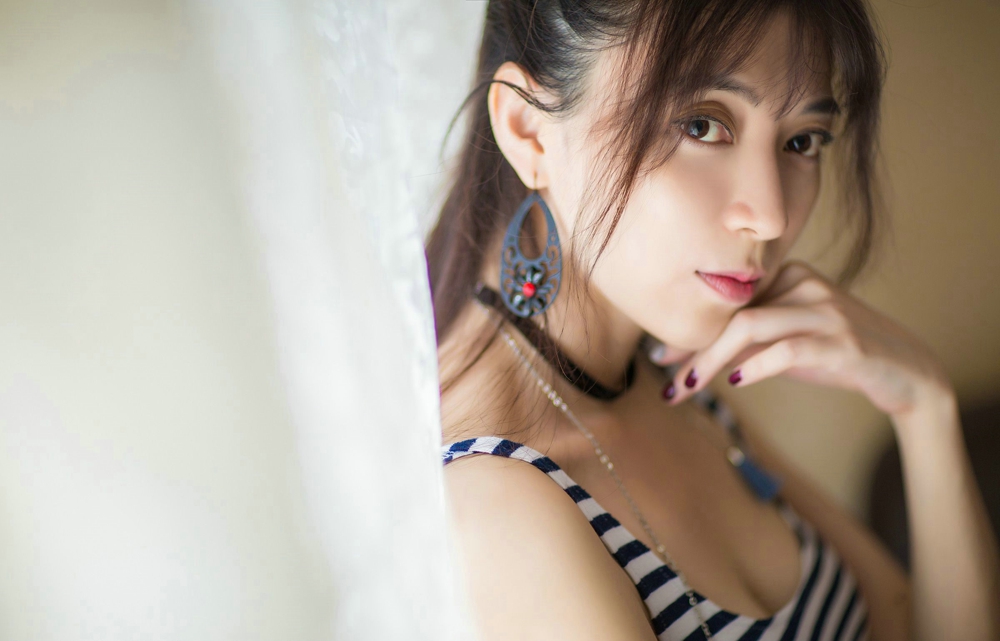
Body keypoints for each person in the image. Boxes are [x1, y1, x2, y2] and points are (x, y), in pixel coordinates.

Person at [426, 1, 1000, 640]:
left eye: (802, 141)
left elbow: (902, 621)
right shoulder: (498, 503)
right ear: (529, 130)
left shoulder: (664, 376)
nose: (772, 216)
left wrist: (925, 409)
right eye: (702, 125)